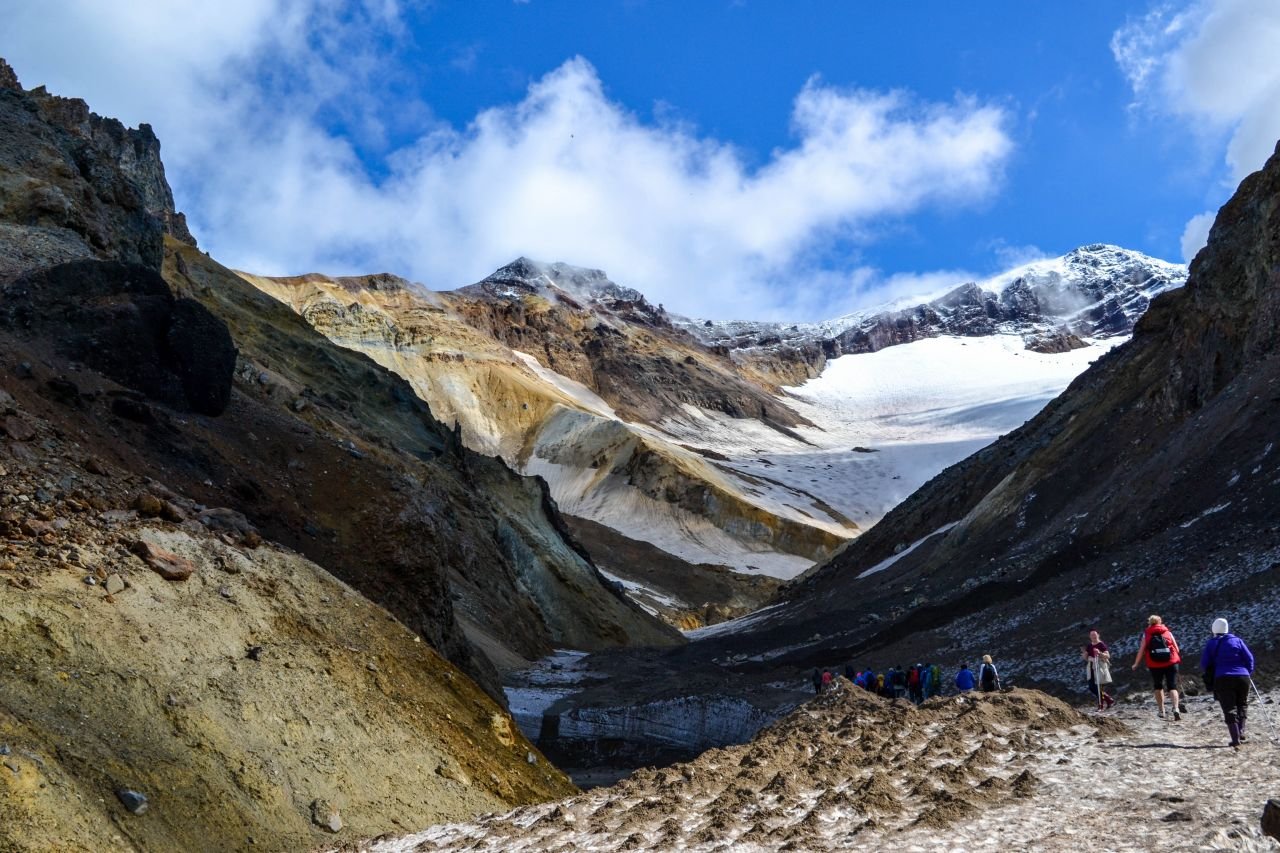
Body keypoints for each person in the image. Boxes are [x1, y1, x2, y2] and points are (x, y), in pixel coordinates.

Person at [1200, 618, 1256, 748]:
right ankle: (1241, 731)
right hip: (1243, 677)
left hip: (1222, 677)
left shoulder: (1211, 643)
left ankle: (1235, 738)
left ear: (1214, 629)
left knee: (1229, 707)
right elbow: (1249, 658)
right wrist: (1248, 671)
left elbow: (1204, 663)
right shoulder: (1238, 641)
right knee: (1242, 704)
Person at [1131, 615, 1182, 720]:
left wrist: (1136, 663)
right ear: (1160, 622)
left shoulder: (1147, 635)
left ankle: (1161, 710)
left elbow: (1141, 650)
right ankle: (1176, 708)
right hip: (1171, 662)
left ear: (1149, 623)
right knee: (1172, 686)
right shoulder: (1168, 632)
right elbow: (1177, 648)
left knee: (1158, 686)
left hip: (1155, 664)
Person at [1082, 629, 1116, 710]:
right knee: (1091, 687)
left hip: (1100, 667)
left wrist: (1099, 653)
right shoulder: (1089, 646)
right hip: (1091, 668)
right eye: (1091, 635)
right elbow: (1086, 657)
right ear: (1090, 637)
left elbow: (1108, 656)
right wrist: (1085, 655)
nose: (1093, 636)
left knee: (1098, 686)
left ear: (1098, 635)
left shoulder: (1101, 644)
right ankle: (1108, 699)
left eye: (1094, 634)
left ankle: (1100, 706)